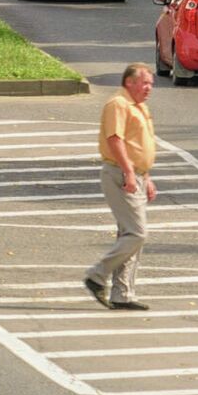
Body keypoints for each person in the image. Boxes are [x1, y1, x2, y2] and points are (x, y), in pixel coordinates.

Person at [83, 63, 157, 311]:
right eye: (144, 83)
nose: (148, 88)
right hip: (119, 173)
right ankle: (97, 275)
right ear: (129, 83)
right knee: (137, 233)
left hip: (135, 174)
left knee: (129, 235)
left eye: (150, 84)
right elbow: (115, 139)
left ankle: (122, 294)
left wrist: (145, 176)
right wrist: (128, 171)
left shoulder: (139, 106)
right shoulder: (118, 104)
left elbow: (139, 143)